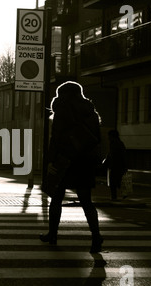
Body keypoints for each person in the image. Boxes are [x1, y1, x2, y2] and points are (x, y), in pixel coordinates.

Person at [40, 81, 104, 253]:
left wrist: (50, 161)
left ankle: (52, 234)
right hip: (85, 162)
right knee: (86, 201)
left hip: (66, 160)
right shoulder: (90, 111)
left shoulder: (62, 108)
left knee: (56, 198)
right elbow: (97, 138)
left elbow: (56, 137)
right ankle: (96, 237)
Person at [103, 130, 127, 201]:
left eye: (109, 136)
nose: (108, 138)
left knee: (113, 182)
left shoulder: (114, 144)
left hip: (115, 166)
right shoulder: (119, 143)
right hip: (118, 166)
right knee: (116, 182)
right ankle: (120, 195)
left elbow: (112, 155)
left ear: (112, 136)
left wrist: (106, 164)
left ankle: (115, 197)